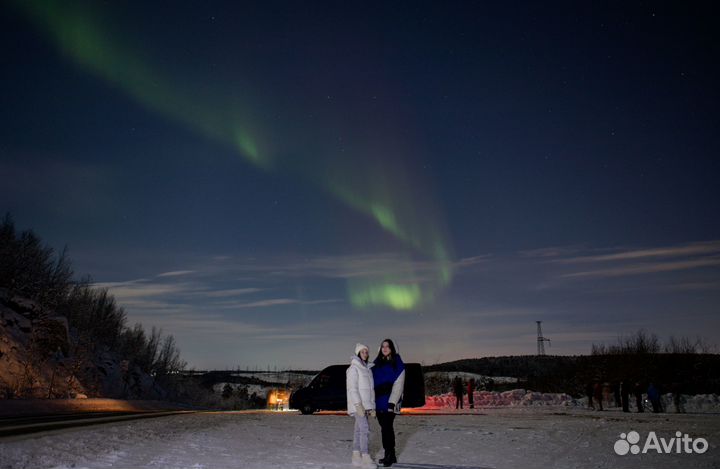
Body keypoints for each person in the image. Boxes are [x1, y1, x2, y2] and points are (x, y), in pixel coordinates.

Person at [372, 339, 405, 467]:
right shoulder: (376, 363)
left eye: (388, 346)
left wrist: (392, 403)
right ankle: (392, 454)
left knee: (386, 428)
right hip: (378, 401)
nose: (385, 348)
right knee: (384, 428)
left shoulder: (397, 363)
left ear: (392, 348)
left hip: (390, 401)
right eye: (383, 346)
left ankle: (389, 455)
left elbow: (399, 385)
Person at [347, 343, 376, 468]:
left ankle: (355, 455)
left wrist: (372, 407)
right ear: (358, 353)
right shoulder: (353, 368)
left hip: (366, 406)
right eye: (363, 352)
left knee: (358, 430)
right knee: (365, 429)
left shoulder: (367, 369)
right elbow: (352, 388)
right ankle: (365, 457)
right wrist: (358, 405)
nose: (365, 354)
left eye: (366, 352)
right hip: (358, 405)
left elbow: (371, 390)